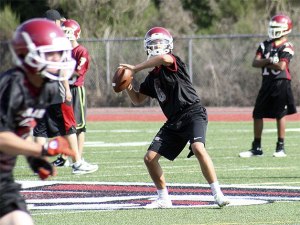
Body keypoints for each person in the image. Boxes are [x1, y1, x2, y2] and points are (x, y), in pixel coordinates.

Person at [119, 27, 229, 208]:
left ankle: (218, 194)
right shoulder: (151, 78)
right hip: (173, 120)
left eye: (160, 43)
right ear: (147, 47)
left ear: (169, 45)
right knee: (150, 158)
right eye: (153, 43)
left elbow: (164, 58)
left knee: (198, 148)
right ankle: (163, 198)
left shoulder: (173, 62)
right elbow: (138, 99)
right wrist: (127, 84)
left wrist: (135, 68)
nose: (157, 46)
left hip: (193, 112)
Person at [0, 18, 75, 225]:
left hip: (3, 180)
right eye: (51, 52)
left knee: (21, 221)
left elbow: (22, 130)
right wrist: (42, 150)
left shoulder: (47, 88)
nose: (58, 58)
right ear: (26, 53)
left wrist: (35, 160)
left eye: (60, 52)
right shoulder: (11, 85)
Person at [33, 10, 98, 174]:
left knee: (41, 129)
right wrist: (67, 89)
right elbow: (62, 68)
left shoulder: (39, 36)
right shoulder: (56, 41)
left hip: (41, 90)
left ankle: (40, 164)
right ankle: (77, 163)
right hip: (59, 90)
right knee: (70, 127)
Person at [239, 14, 297, 158]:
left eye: (276, 27)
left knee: (280, 114)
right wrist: (271, 60)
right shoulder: (264, 44)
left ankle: (280, 147)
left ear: (285, 29)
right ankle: (256, 147)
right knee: (257, 113)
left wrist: (265, 61)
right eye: (272, 27)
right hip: (267, 82)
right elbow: (254, 62)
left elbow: (281, 66)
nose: (273, 30)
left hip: (281, 83)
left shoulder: (287, 46)